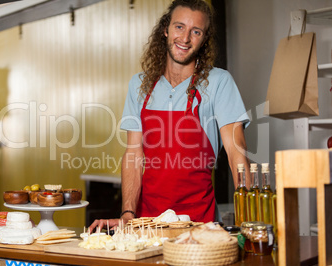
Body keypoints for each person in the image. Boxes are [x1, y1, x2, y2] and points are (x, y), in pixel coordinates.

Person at [89, 0, 250, 232]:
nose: (185, 39)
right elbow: (134, 153)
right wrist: (127, 214)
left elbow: (237, 154)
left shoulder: (218, 82)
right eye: (179, 27)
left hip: (199, 223)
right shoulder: (139, 85)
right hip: (146, 224)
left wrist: (248, 219)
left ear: (204, 39)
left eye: (196, 32)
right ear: (165, 29)